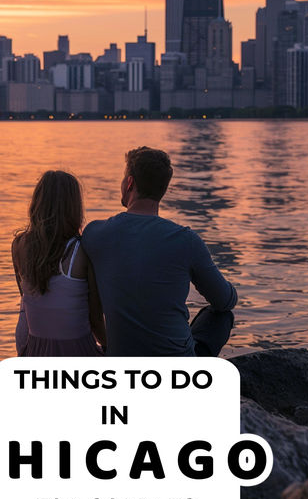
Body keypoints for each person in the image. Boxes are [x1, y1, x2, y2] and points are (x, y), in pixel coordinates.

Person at [82, 146, 237, 357]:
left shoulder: (94, 234)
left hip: (123, 362)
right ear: (163, 190)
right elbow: (225, 301)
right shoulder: (186, 240)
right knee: (221, 316)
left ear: (129, 183)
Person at [12, 170, 105, 356]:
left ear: (37, 203)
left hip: (35, 354)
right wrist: (113, 349)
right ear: (74, 207)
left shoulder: (19, 245)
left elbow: (28, 303)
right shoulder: (82, 251)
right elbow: (94, 318)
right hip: (76, 354)